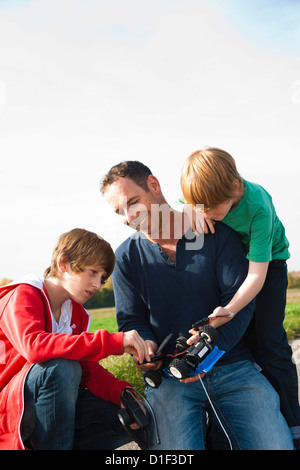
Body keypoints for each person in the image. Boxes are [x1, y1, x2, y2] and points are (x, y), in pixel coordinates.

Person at [100, 160, 294, 450]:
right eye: (119, 212)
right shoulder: (126, 257)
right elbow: (131, 319)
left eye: (133, 203)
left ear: (154, 185)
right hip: (169, 379)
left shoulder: (216, 234)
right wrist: (145, 348)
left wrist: (210, 353)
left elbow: (239, 302)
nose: (128, 217)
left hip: (234, 368)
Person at [180, 147, 300, 448]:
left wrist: (230, 310)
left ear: (235, 187)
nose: (208, 217)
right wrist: (189, 211)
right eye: (201, 210)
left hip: (267, 266)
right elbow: (174, 209)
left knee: (270, 342)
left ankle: (294, 424)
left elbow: (256, 276)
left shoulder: (258, 205)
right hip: (233, 266)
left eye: (215, 212)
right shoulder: (204, 196)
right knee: (243, 342)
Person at [0, 228, 149, 450]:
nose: (98, 284)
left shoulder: (76, 313)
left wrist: (123, 393)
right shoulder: (23, 295)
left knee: (128, 419)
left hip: (44, 406)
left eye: (103, 277)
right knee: (62, 366)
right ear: (64, 264)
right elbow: (34, 347)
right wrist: (113, 341)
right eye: (93, 273)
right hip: (8, 406)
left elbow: (86, 367)